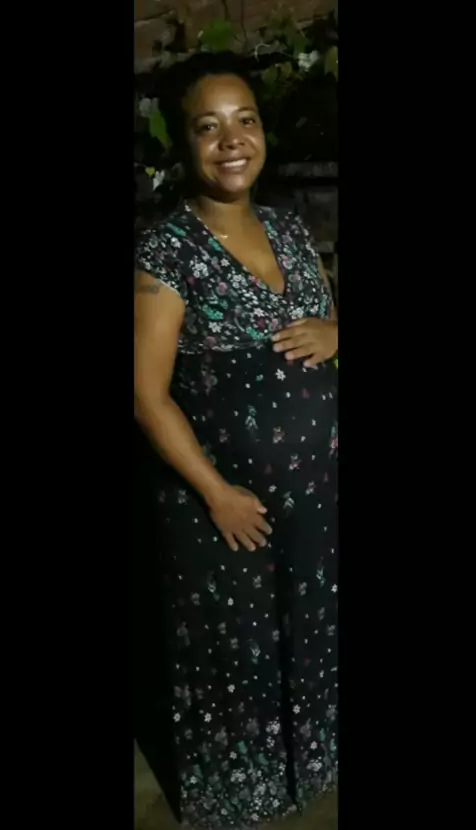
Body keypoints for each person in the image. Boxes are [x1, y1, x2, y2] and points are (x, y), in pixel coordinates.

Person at [134, 51, 338, 830]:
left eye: (245, 121)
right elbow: (145, 394)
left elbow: (322, 321)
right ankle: (242, 797)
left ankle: (309, 770)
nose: (231, 141)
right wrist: (216, 493)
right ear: (183, 142)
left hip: (314, 497)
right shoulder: (165, 253)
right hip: (225, 506)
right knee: (237, 657)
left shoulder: (289, 229)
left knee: (312, 637)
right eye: (208, 126)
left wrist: (337, 331)